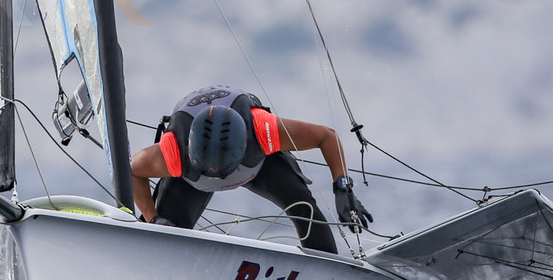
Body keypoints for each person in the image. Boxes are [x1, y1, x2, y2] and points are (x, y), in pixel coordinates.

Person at [130, 84, 372, 253]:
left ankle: (328, 272)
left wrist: (343, 188)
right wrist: (153, 220)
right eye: (209, 171)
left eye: (223, 170)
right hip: (190, 177)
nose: (218, 177)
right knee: (167, 235)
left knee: (303, 207)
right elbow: (132, 170)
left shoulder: (263, 130)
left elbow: (326, 136)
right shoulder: (173, 151)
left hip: (259, 166)